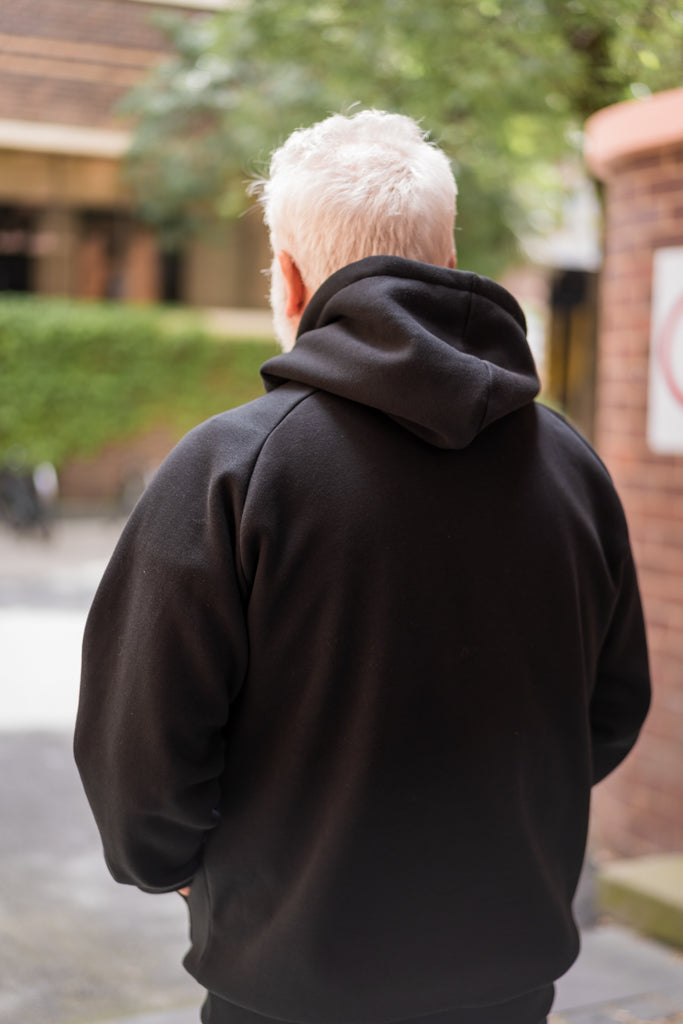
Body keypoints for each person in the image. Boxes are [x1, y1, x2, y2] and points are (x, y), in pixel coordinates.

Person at [75, 109, 651, 1024]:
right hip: (509, 972)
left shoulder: (234, 467)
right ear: (447, 258)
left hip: (291, 982)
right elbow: (613, 709)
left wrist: (187, 872)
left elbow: (140, 760)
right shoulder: (570, 463)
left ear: (291, 277)